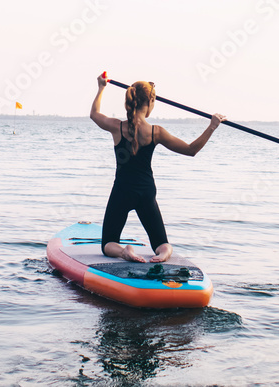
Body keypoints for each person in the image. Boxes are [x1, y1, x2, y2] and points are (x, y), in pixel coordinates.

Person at [90, 74, 225, 263]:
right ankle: (163, 253)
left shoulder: (117, 127)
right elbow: (191, 150)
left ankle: (123, 252)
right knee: (161, 242)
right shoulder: (156, 132)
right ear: (151, 101)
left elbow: (94, 114)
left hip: (122, 190)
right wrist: (212, 126)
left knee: (108, 243)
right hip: (146, 191)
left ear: (130, 101)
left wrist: (101, 87)